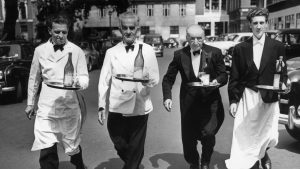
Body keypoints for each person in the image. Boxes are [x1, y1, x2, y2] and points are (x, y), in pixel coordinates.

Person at [25, 12, 89, 169]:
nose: (60, 35)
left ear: (68, 32)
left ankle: (79, 165)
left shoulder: (76, 51)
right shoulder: (40, 51)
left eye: (64, 32)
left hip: (69, 103)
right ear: (49, 31)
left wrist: (78, 82)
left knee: (72, 145)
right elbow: (34, 78)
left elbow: (84, 78)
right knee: (46, 143)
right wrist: (30, 103)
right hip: (47, 104)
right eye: (57, 32)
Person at [225, 8, 287, 169]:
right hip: (249, 96)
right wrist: (233, 100)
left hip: (269, 96)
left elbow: (282, 71)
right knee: (248, 134)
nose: (258, 26)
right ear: (250, 26)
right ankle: (252, 162)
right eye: (255, 23)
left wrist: (284, 84)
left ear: (266, 24)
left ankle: (263, 152)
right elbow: (235, 77)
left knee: (271, 135)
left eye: (261, 23)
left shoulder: (277, 46)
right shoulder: (240, 49)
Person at [97, 12, 159, 169]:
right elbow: (104, 80)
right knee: (118, 141)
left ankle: (132, 164)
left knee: (136, 146)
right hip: (117, 104)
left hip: (140, 103)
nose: (129, 31)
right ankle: (133, 162)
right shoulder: (111, 52)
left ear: (137, 29)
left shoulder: (148, 50)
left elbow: (155, 78)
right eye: (125, 28)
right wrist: (101, 105)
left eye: (132, 28)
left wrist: (148, 80)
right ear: (120, 29)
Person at [162, 24, 228, 169]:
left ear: (204, 38)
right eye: (192, 39)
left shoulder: (215, 52)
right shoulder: (179, 55)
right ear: (187, 38)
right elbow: (168, 78)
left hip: (210, 102)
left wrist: (216, 81)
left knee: (209, 134)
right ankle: (193, 161)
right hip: (188, 103)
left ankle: (205, 161)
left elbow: (224, 74)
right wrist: (167, 97)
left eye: (199, 38)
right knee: (188, 138)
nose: (196, 42)